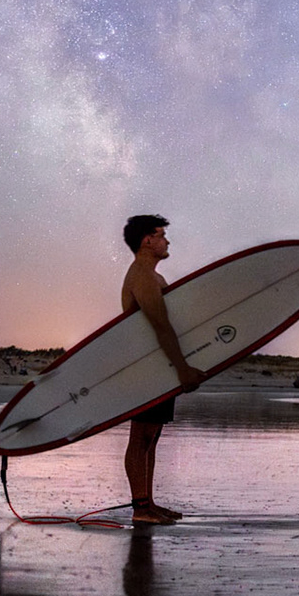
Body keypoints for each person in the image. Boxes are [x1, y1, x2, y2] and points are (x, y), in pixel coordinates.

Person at [119, 213, 204, 525]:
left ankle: (148, 502)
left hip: (159, 367)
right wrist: (183, 369)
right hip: (145, 370)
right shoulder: (141, 275)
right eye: (162, 235)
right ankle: (140, 508)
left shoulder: (156, 278)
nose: (167, 240)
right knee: (140, 437)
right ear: (147, 240)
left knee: (151, 438)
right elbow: (161, 326)